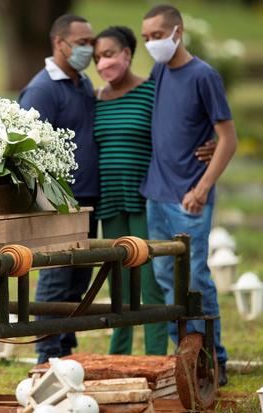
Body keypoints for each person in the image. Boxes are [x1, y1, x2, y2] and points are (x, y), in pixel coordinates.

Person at [140, 4, 237, 386]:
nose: (152, 43)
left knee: (196, 277)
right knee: (166, 277)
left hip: (188, 198)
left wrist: (202, 188)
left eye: (158, 36)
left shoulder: (204, 75)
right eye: (146, 38)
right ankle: (184, 353)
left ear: (177, 32)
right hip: (156, 194)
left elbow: (228, 139)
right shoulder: (159, 70)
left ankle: (214, 358)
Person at [18, 14, 98, 364]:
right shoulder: (42, 89)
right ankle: (47, 355)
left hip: (88, 197)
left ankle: (65, 349)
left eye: (90, 43)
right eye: (81, 43)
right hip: (60, 202)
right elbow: (26, 150)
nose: (88, 49)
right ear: (59, 43)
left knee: (80, 276)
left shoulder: (83, 83)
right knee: (57, 277)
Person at [92, 26, 168, 356]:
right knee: (118, 284)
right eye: (96, 58)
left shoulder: (152, 92)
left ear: (127, 54)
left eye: (108, 54)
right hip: (110, 200)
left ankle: (156, 358)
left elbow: (173, 134)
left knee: (149, 283)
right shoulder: (96, 98)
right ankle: (119, 356)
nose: (102, 63)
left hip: (142, 198)